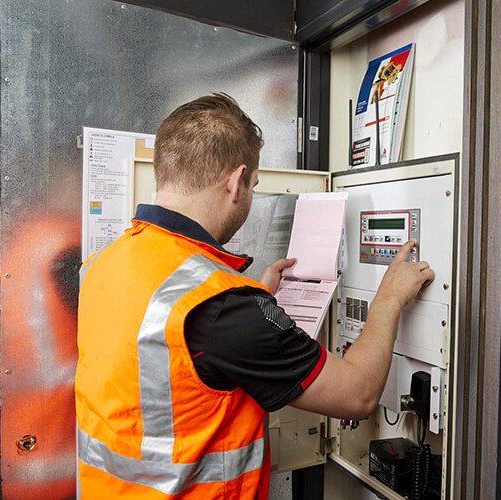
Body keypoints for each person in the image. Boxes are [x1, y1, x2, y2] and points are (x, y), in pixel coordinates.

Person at [74, 93, 435, 499]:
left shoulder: (105, 262)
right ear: (235, 180)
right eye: (254, 186)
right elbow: (359, 394)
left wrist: (255, 298)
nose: (249, 196)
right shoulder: (222, 306)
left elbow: (164, 360)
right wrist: (388, 298)